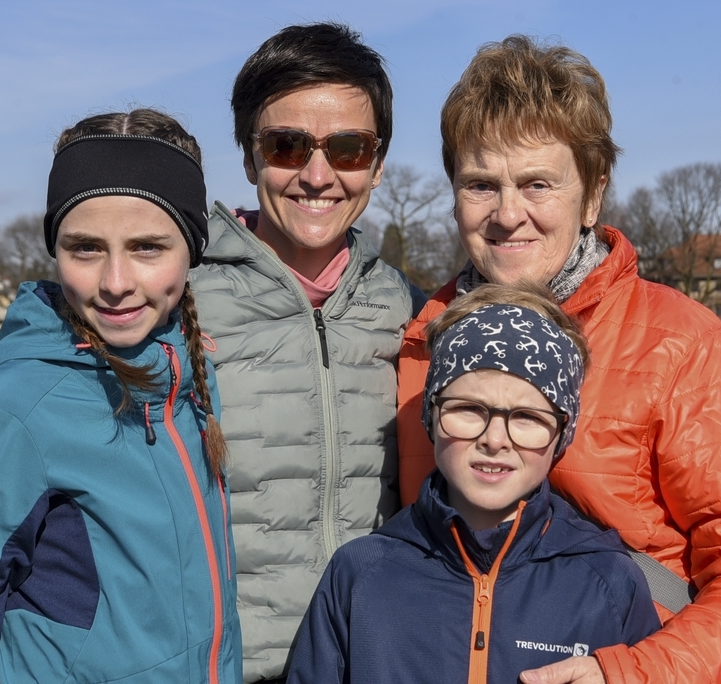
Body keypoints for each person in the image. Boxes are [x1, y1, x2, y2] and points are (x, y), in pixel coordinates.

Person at [396, 36, 721, 684]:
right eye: (481, 184)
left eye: (537, 183)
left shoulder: (680, 344)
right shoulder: (420, 345)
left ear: (592, 196)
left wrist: (631, 673)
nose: (508, 213)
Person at [0, 109, 241, 683]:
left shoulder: (190, 381)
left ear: (193, 250)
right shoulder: (16, 412)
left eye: (148, 247)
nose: (114, 281)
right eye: (84, 248)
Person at [189, 22, 423, 682]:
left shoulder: (416, 315)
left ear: (376, 167)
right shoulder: (176, 300)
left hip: (372, 663)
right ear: (248, 157)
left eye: (348, 150)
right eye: (287, 145)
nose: (317, 176)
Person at [287, 283, 661, 684]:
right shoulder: (360, 574)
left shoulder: (609, 580)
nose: (494, 440)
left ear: (560, 436)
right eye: (468, 408)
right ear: (432, 415)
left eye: (528, 417)